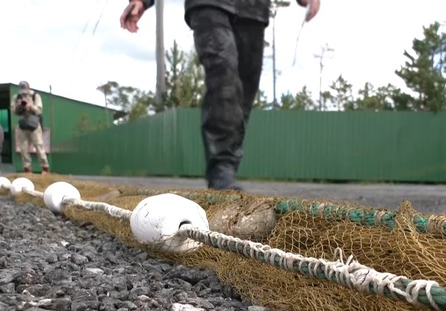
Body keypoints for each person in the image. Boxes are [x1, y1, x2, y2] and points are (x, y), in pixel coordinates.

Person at [120, 0, 320, 190]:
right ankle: (221, 169)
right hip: (210, 5)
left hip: (253, 10)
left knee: (244, 90)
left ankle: (228, 167)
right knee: (224, 76)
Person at [11, 81, 49, 173]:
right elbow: (13, 111)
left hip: (34, 124)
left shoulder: (35, 95)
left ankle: (45, 168)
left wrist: (30, 106)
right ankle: (27, 169)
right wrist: (19, 107)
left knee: (38, 146)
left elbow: (39, 111)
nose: (23, 93)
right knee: (23, 148)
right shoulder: (16, 97)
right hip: (23, 124)